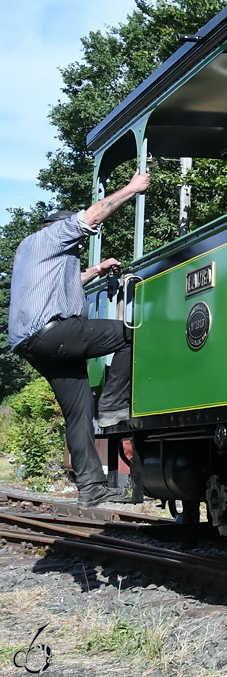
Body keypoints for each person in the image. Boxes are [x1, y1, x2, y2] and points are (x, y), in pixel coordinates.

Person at [8, 171, 151, 507]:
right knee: (133, 333)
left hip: (35, 343)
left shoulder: (33, 253)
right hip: (52, 332)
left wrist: (97, 270)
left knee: (78, 411)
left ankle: (91, 488)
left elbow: (66, 282)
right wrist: (132, 188)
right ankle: (115, 404)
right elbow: (93, 214)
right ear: (57, 228)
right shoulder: (51, 236)